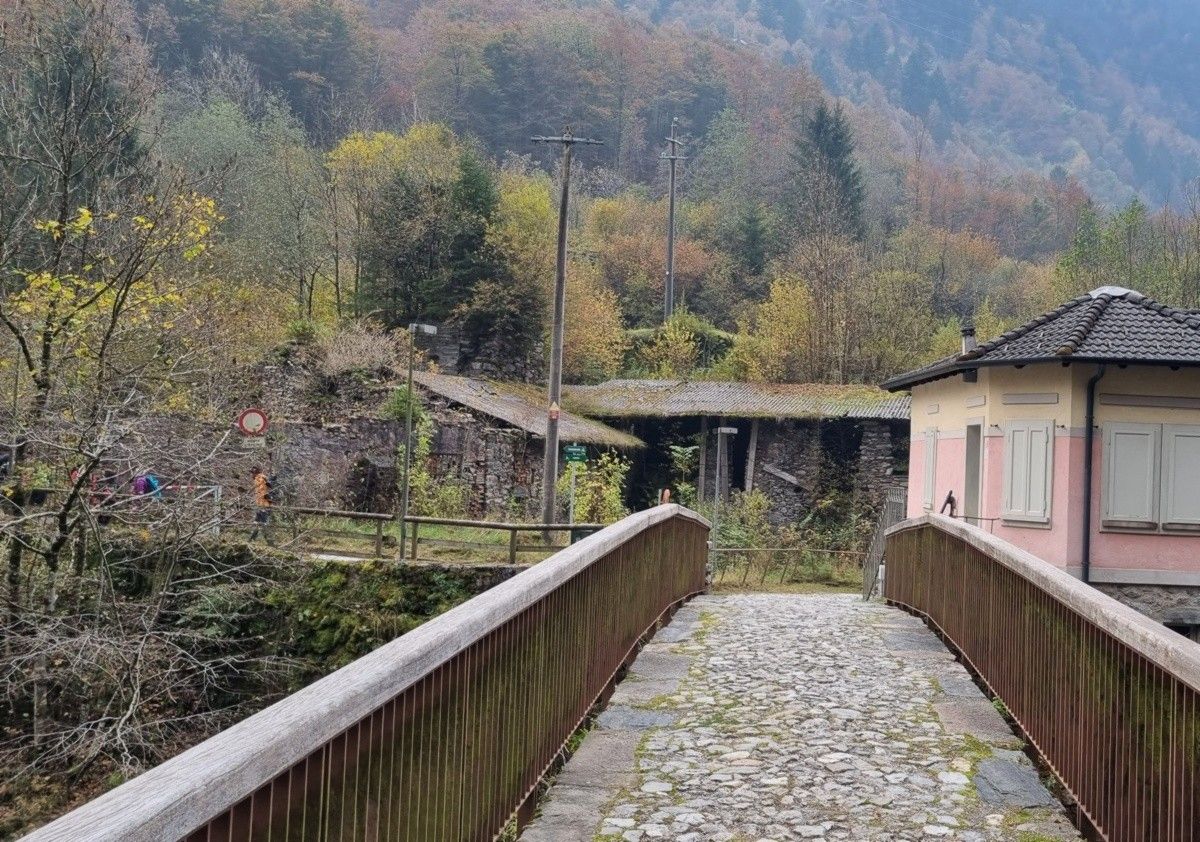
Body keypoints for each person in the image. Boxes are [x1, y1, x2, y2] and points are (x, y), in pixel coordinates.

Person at [249, 466, 274, 544]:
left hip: (264, 505)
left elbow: (264, 491)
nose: (251, 475)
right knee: (257, 522)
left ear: (255, 473)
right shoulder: (259, 479)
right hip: (260, 505)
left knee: (263, 523)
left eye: (252, 473)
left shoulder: (260, 479)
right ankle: (251, 540)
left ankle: (270, 542)